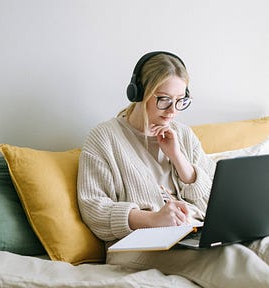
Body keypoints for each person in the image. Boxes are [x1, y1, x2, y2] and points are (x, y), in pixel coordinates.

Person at [77, 51, 269, 287]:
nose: (172, 111)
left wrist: (178, 158)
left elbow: (214, 203)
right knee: (233, 260)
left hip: (195, 234)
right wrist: (153, 219)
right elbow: (94, 209)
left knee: (264, 246)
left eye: (180, 101)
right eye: (164, 99)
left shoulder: (183, 135)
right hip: (136, 246)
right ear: (138, 93)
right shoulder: (104, 138)